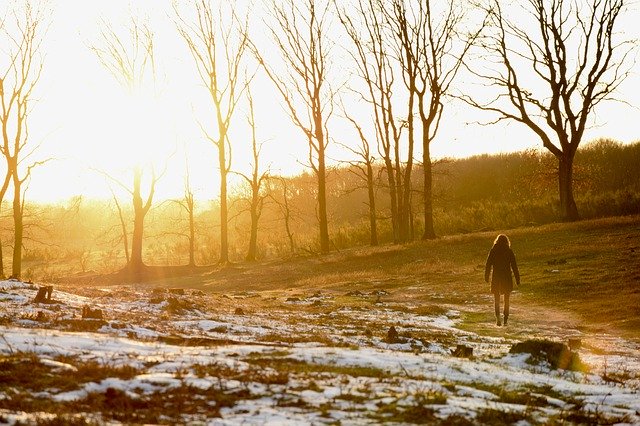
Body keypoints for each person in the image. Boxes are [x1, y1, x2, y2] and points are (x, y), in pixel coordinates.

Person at [484, 234, 520, 326]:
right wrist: (517, 279)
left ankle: (497, 318)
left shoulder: (493, 250)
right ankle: (506, 319)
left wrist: (486, 276)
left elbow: (488, 264)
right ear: (506, 241)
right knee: (506, 299)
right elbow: (514, 266)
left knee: (496, 298)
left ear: (497, 241)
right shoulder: (509, 251)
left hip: (496, 277)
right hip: (506, 277)